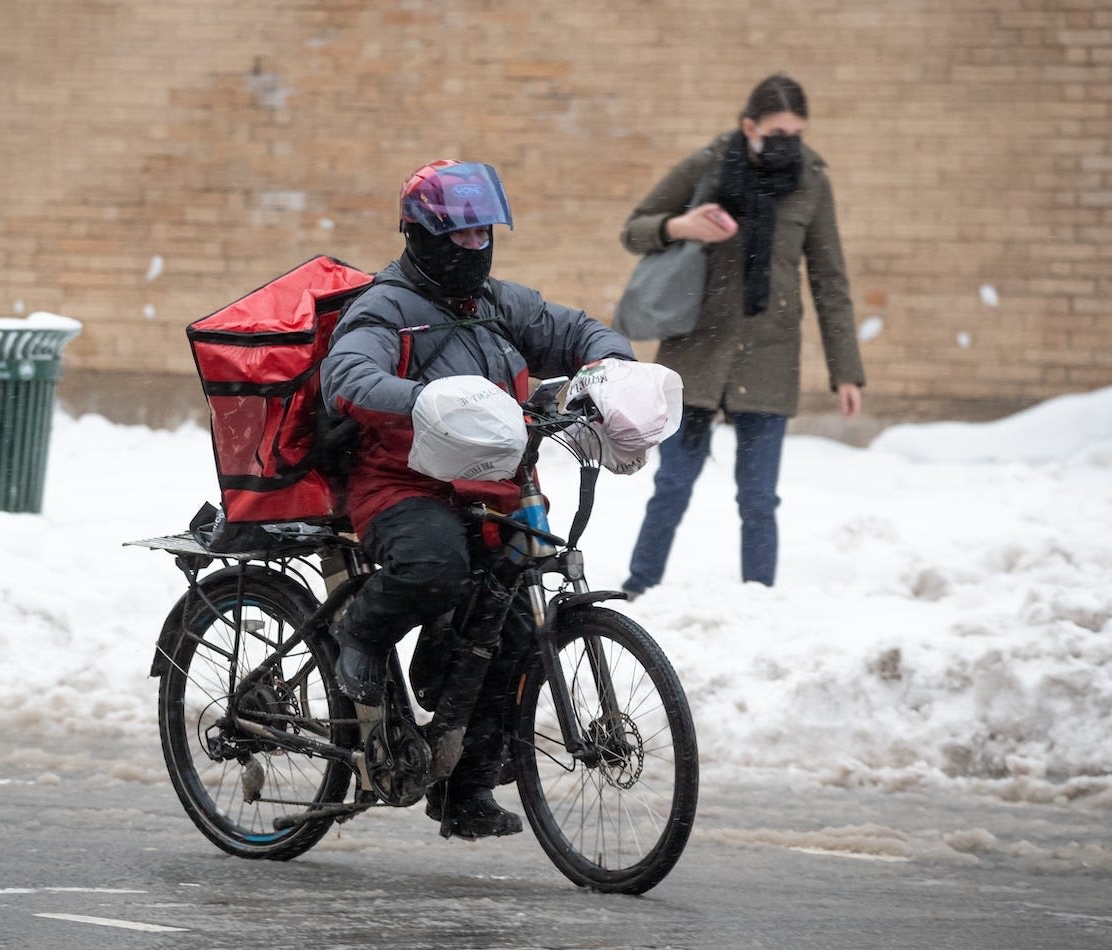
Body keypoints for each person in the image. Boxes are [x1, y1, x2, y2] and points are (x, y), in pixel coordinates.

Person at [320, 159, 635, 840]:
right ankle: (361, 633)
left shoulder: (498, 303)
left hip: (494, 485)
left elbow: (577, 332)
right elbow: (346, 377)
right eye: (460, 237)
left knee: (517, 628)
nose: (475, 248)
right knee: (435, 567)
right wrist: (424, 400)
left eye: (482, 235)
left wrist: (614, 372)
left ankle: (463, 790)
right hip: (402, 482)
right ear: (421, 235)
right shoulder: (385, 307)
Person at [619, 74, 866, 593]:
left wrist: (847, 372)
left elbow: (829, 278)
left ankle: (758, 603)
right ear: (749, 126)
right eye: (777, 132)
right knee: (672, 485)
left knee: (758, 497)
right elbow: (636, 228)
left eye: (796, 134)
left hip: (770, 355)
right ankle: (638, 592)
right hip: (698, 349)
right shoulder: (707, 167)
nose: (787, 144)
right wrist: (682, 226)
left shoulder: (812, 182)